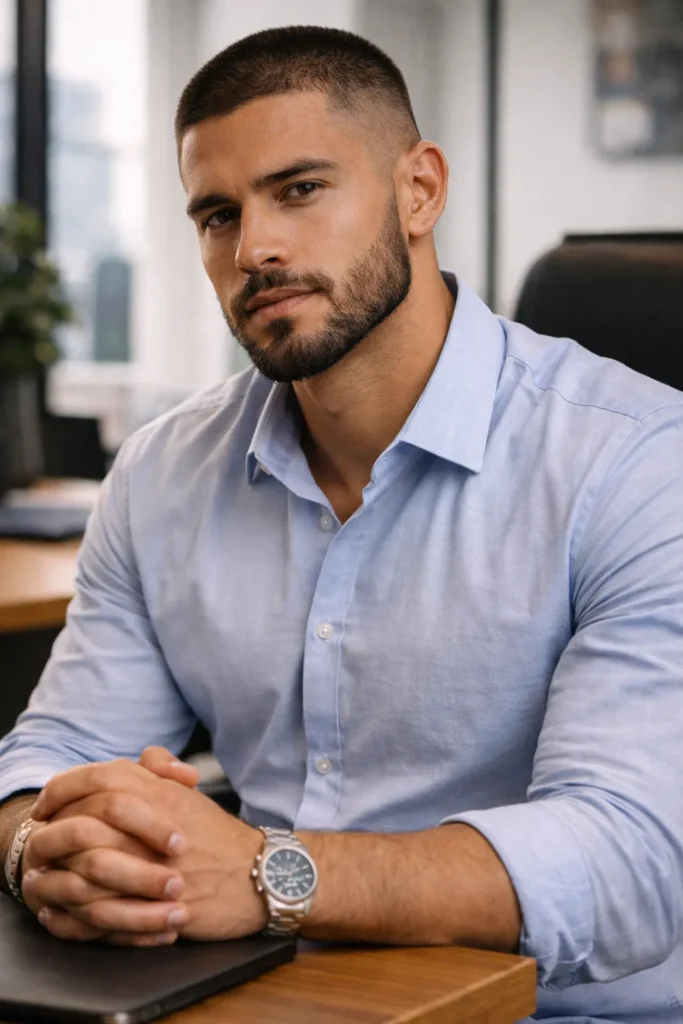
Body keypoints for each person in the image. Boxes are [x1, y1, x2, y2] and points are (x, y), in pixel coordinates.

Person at [1, 24, 682, 1022]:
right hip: (268, 993)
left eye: (299, 190)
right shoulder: (159, 473)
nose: (254, 248)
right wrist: (41, 849)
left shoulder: (634, 459)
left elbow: (629, 857)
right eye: (216, 214)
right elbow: (53, 750)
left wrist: (273, 875)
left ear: (419, 190)